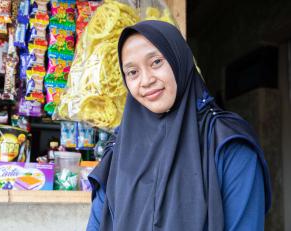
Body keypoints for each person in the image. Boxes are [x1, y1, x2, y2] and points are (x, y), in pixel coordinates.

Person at [86, 20, 271, 231]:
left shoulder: (227, 145)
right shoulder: (118, 152)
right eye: (133, 72)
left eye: (156, 62)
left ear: (179, 59)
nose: (146, 80)